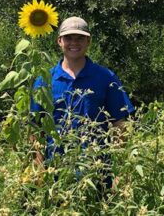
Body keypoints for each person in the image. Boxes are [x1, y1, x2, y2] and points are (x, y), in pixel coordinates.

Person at [30, 16, 135, 189]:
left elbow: (120, 124)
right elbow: (35, 126)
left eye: (80, 38)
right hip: (55, 173)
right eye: (68, 38)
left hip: (98, 173)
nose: (74, 43)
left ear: (88, 41)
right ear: (59, 41)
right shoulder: (44, 80)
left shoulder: (106, 77)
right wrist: (39, 166)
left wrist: (119, 171)